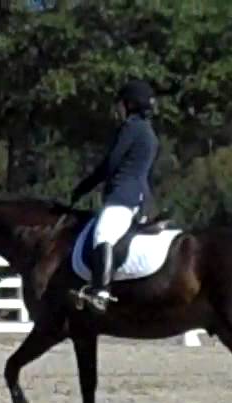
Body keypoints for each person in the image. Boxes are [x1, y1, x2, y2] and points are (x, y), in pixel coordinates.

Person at [70, 79, 160, 312]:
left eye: (121, 104)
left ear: (130, 104)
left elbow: (111, 163)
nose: (118, 109)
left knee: (103, 235)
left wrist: (84, 186)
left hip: (123, 196)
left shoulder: (132, 127)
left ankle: (101, 290)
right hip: (141, 199)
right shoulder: (149, 131)